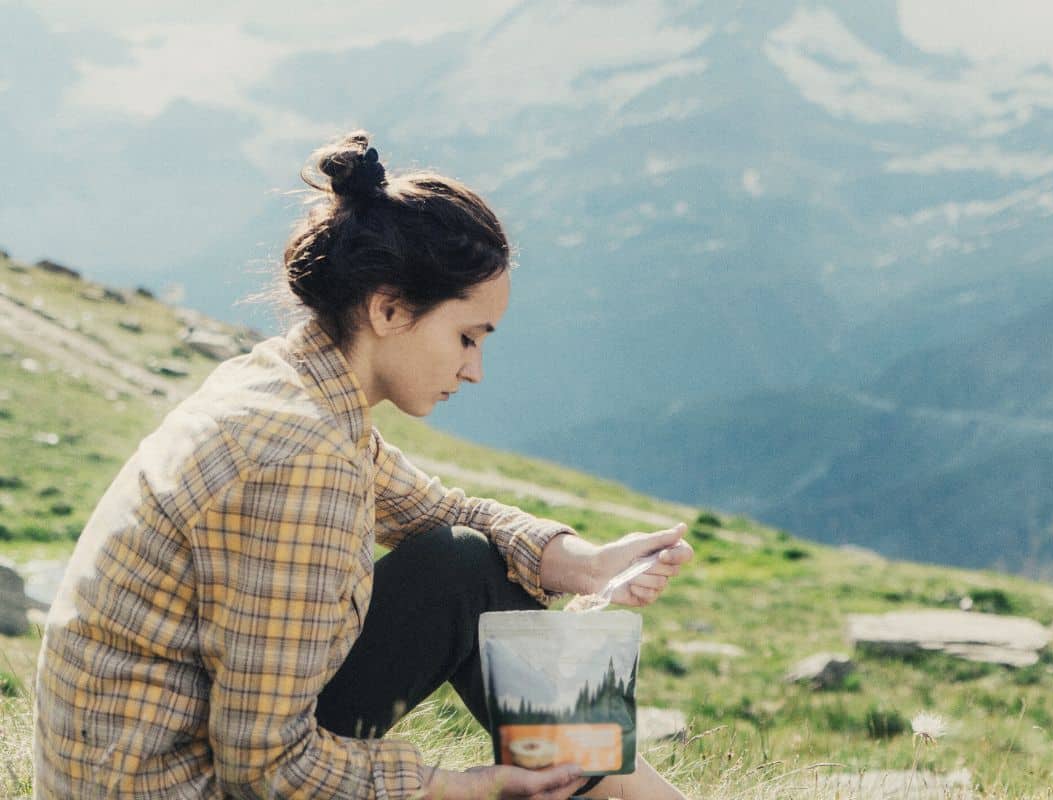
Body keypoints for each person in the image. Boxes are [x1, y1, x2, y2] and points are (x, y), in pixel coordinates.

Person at [33, 132, 693, 799]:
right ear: (388, 309)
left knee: (463, 563)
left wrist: (586, 562)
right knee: (463, 569)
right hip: (177, 788)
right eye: (466, 337)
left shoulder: (293, 386)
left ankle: (615, 786)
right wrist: (464, 789)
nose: (474, 369)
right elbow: (265, 768)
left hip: (155, 763)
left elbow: (446, 515)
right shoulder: (300, 456)